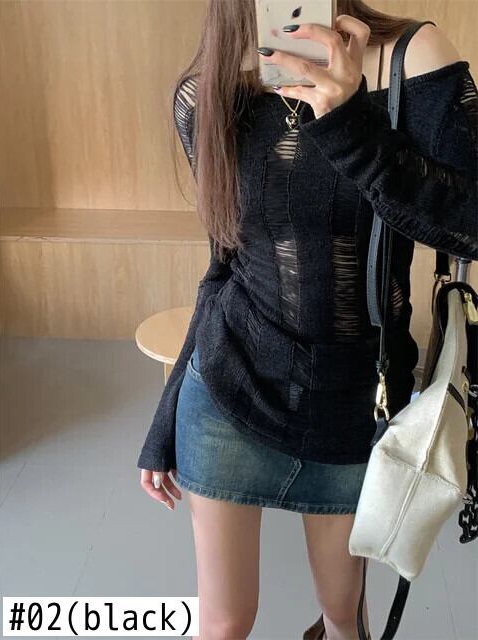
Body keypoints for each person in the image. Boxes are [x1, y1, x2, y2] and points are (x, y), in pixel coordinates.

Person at [138, 1, 478, 638]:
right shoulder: (206, 92)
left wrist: (351, 123)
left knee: (343, 617)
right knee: (223, 624)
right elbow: (223, 267)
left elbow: (470, 227)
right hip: (228, 392)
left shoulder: (412, 60)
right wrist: (168, 413)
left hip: (356, 403)